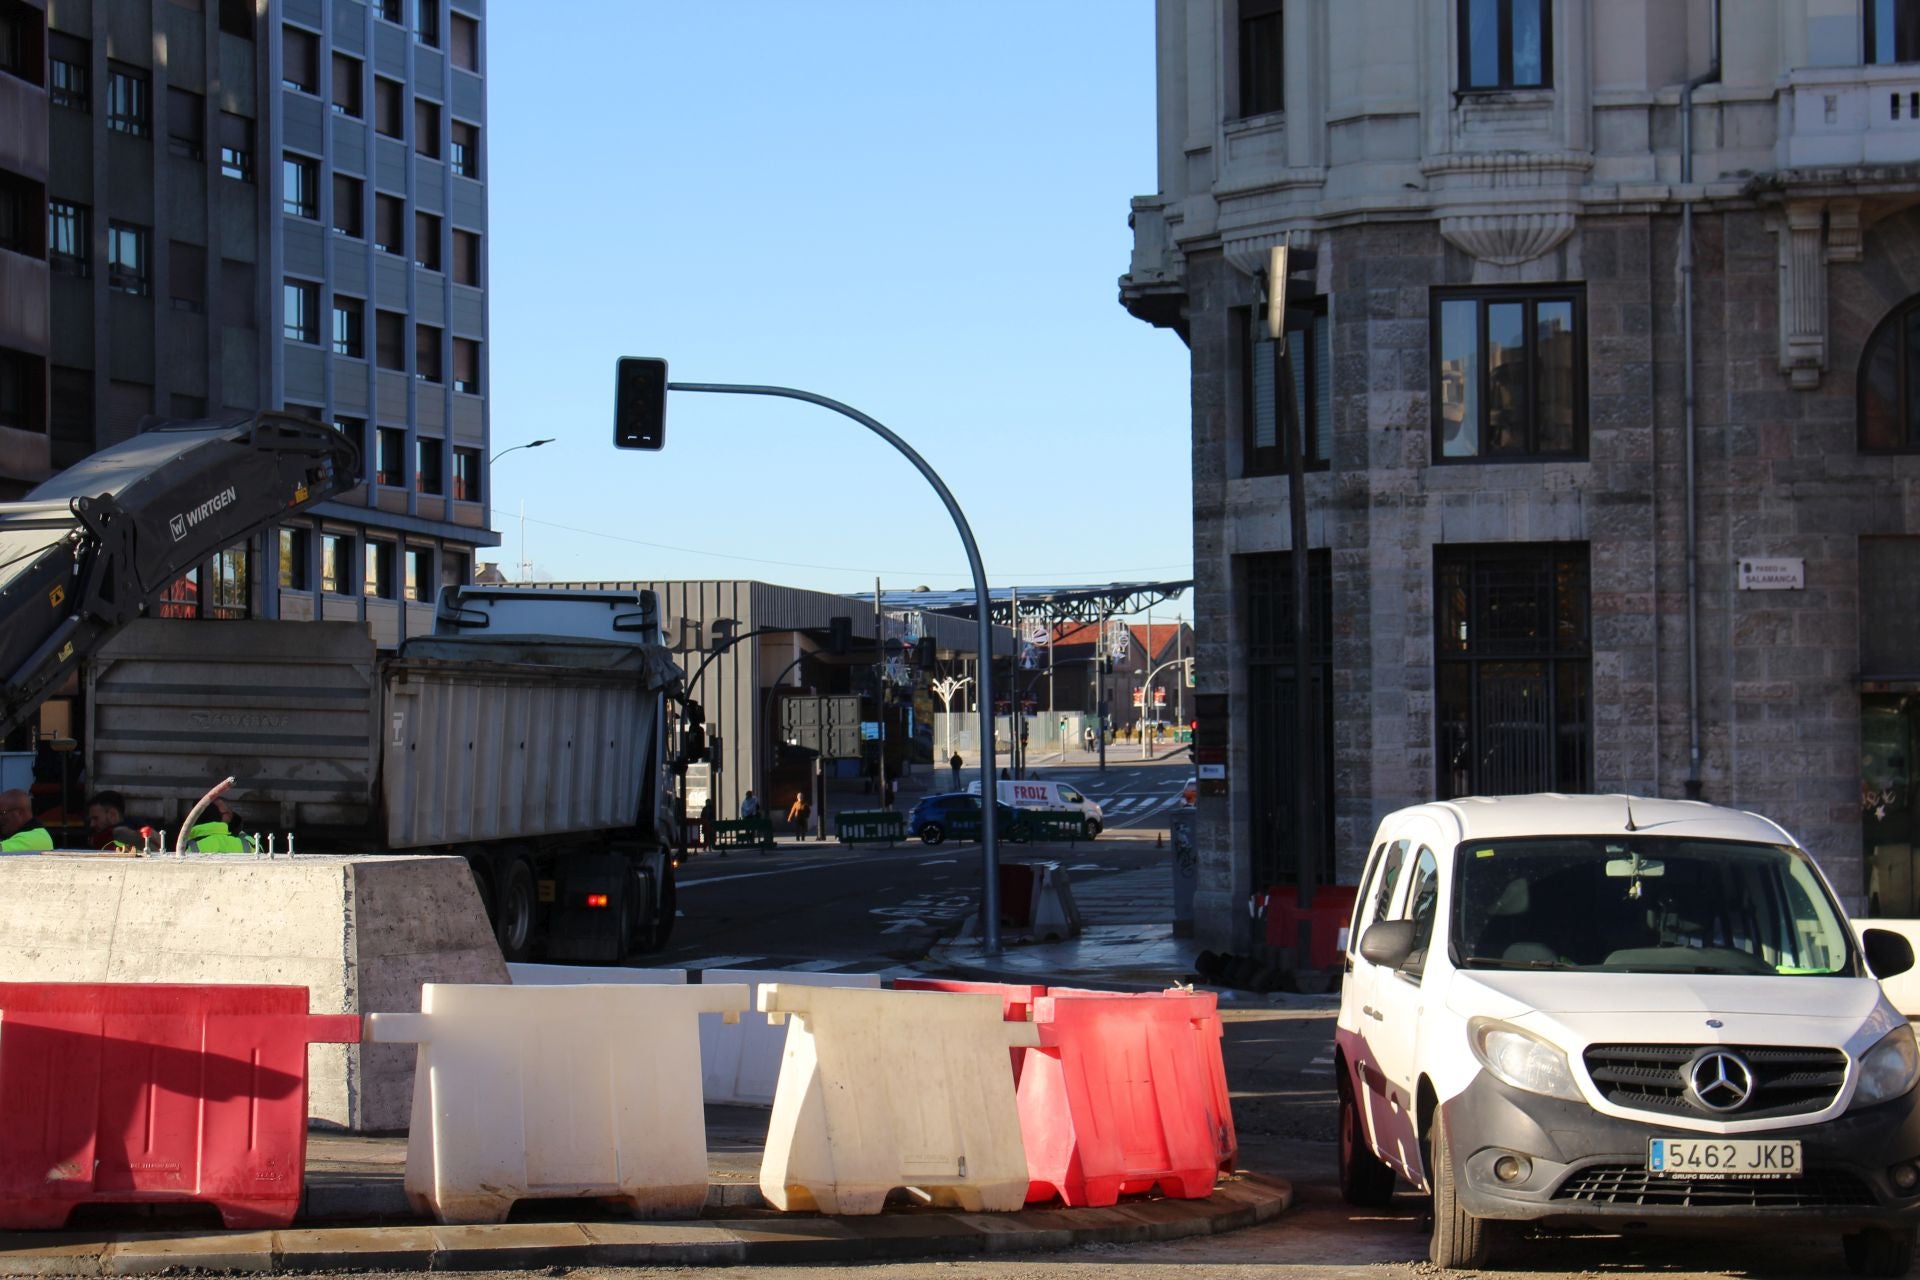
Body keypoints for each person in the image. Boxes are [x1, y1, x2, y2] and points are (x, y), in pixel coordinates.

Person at [181, 797, 249, 853]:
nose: (232, 814)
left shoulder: (183, 846)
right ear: (215, 816)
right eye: (227, 813)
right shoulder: (247, 843)